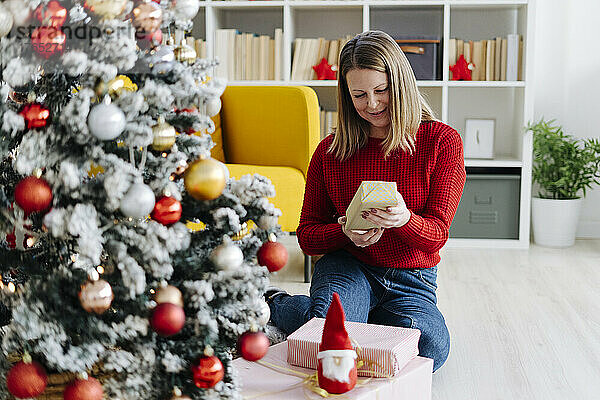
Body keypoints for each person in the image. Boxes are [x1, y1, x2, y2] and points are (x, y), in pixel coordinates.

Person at [266, 30, 466, 372]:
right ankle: (275, 303)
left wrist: (405, 219)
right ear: (346, 94)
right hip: (348, 265)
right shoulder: (330, 151)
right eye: (359, 94)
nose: (371, 104)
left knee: (430, 348)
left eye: (381, 90)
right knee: (329, 343)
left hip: (411, 277)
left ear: (401, 84)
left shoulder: (440, 141)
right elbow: (307, 236)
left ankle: (330, 316)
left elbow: (437, 235)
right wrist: (345, 232)